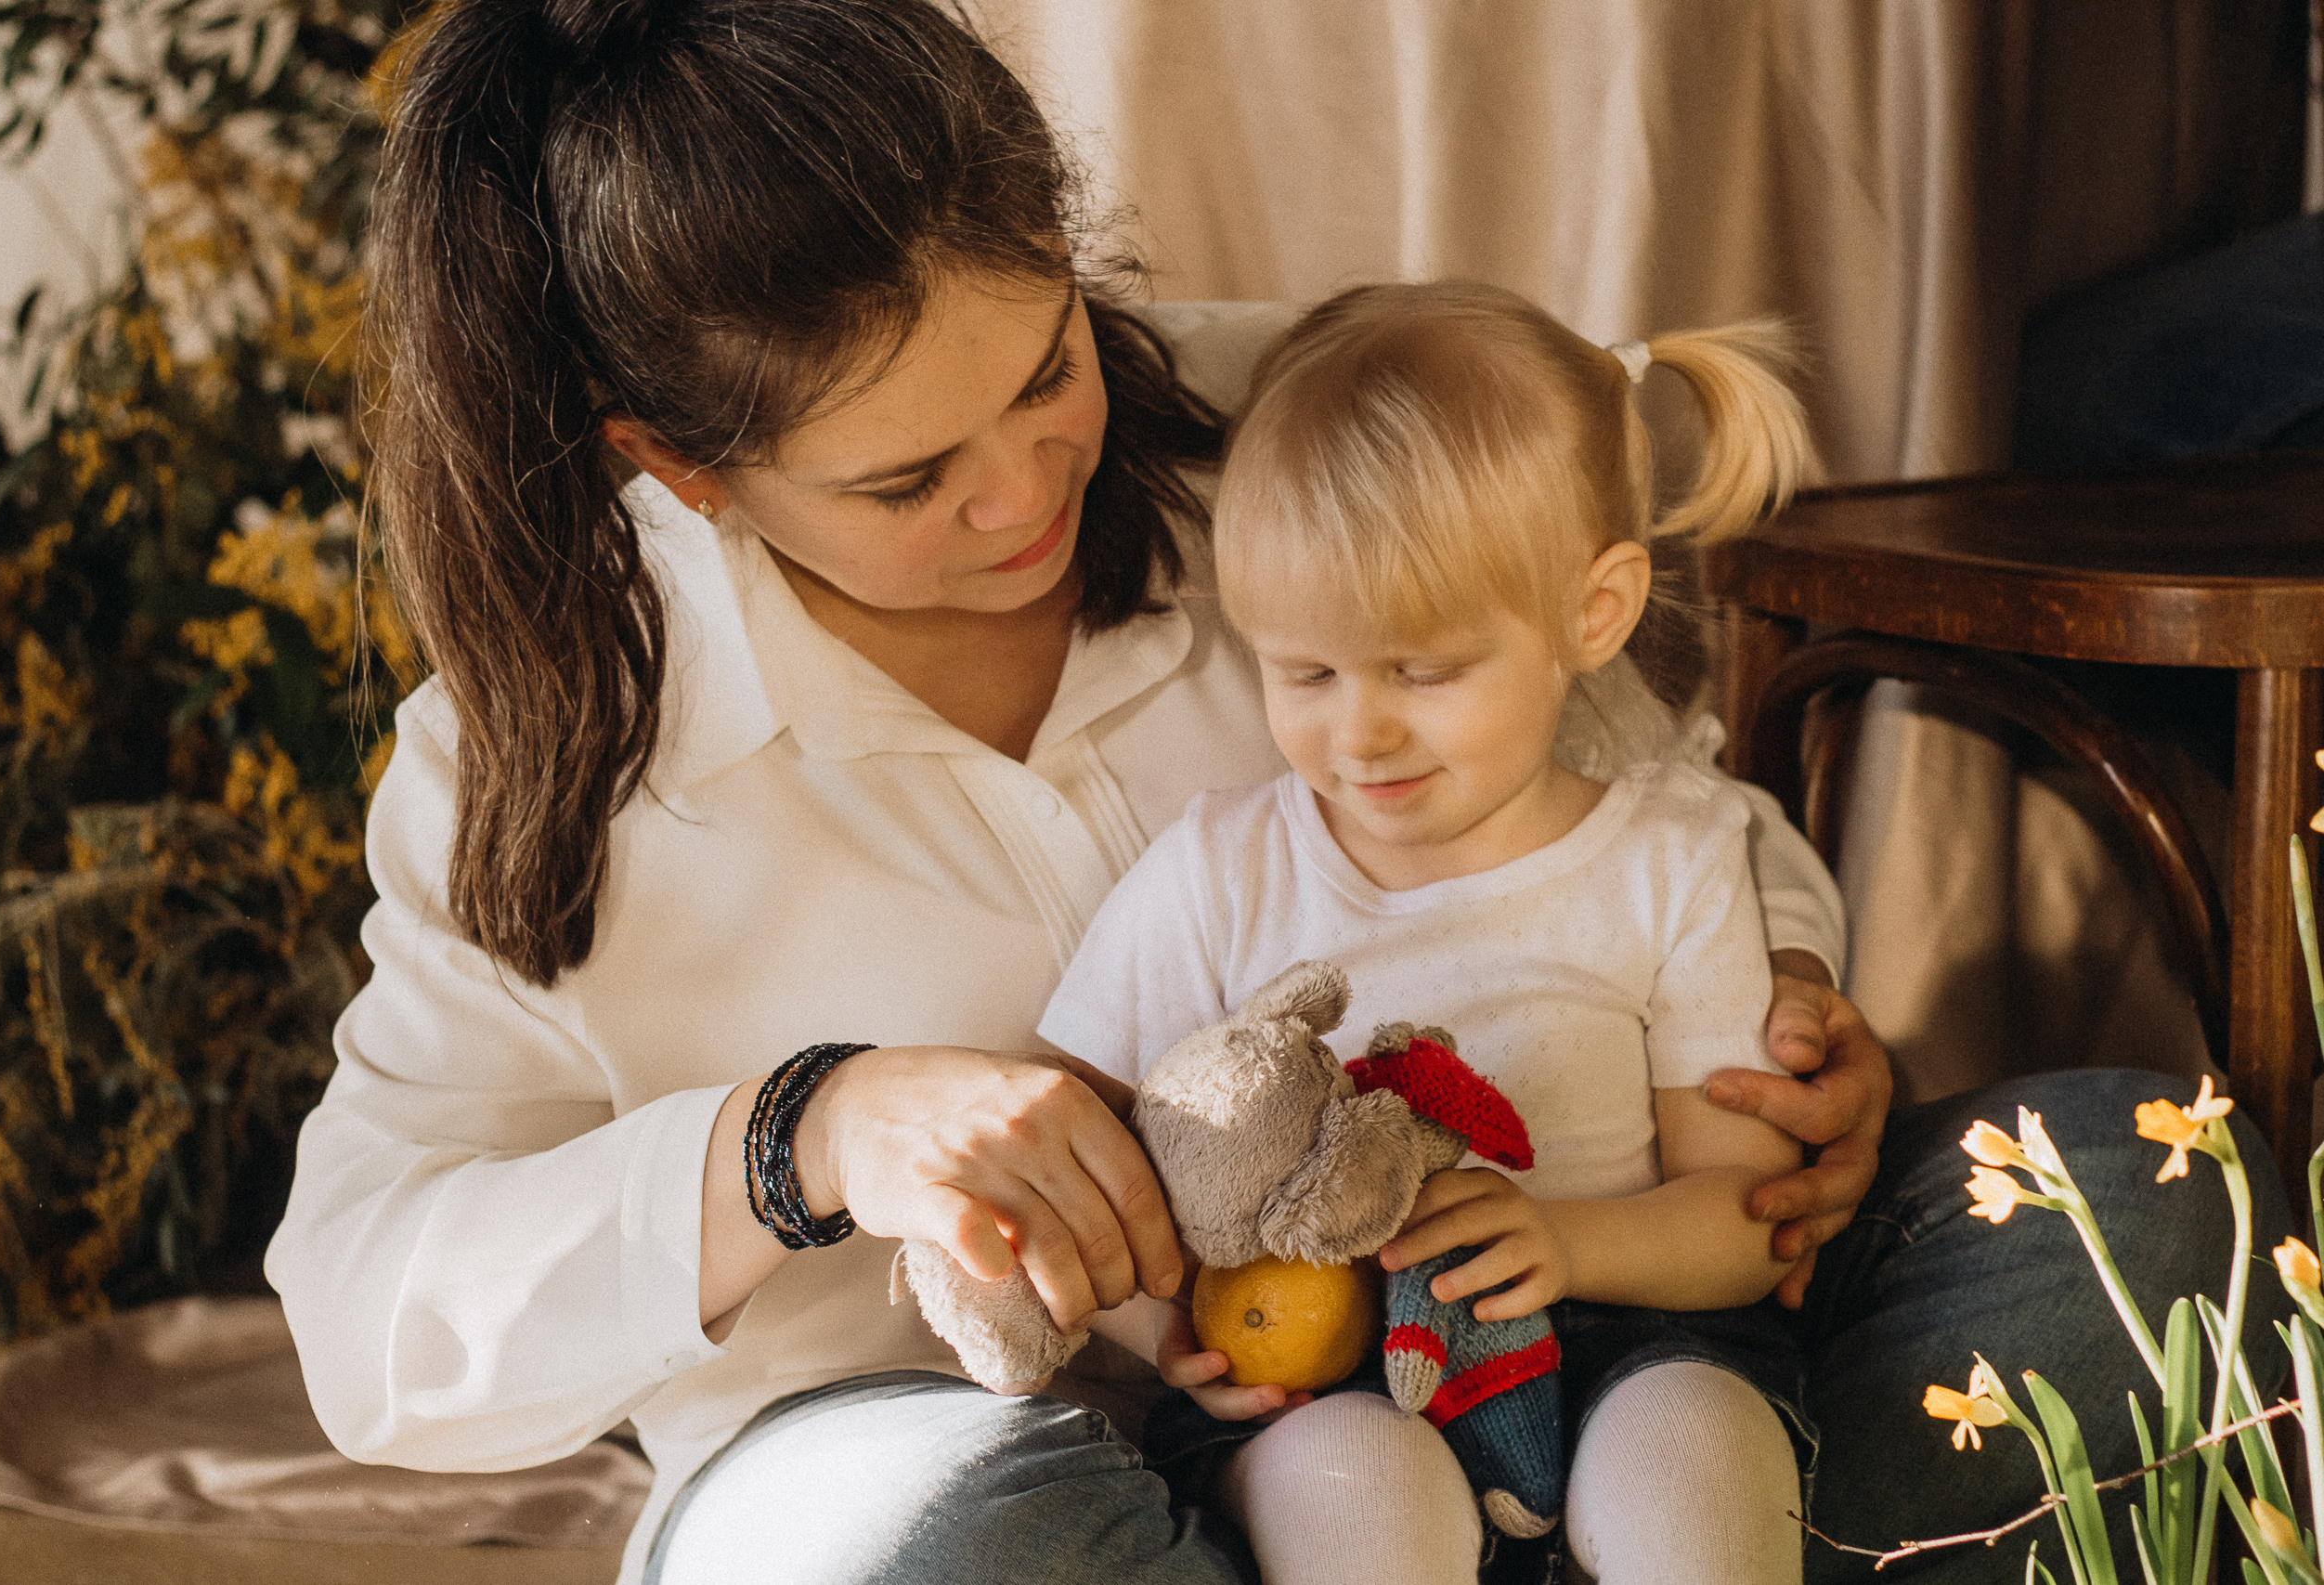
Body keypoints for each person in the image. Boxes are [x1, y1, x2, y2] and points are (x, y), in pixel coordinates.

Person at [264, 2, 2288, 1583]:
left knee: (2153, 1192)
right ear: (680, 467)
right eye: (902, 482)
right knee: (901, 1543)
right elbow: (365, 1316)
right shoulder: (540, 746)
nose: (1027, 486)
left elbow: (1647, 813)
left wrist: (1785, 1032)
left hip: (1561, 1339)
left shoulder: (1303, 430)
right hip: (1018, 1474)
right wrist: (799, 1133)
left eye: (1046, 366)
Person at [1036, 281, 1817, 1585]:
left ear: (1596, 614)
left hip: (1627, 1335)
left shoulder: (1670, 858)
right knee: (1357, 1496)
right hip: (1333, 1378)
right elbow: (1085, 1141)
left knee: (1696, 1447)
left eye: (1424, 671)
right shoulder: (1220, 868)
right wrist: (1168, 1329)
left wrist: (1569, 1245)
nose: (1361, 734)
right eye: (1307, 673)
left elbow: (1745, 1216)